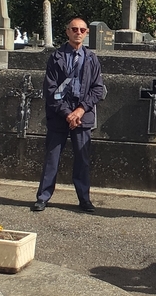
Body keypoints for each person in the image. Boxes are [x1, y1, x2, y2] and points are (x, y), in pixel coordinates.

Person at [31, 18, 106, 213]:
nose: (78, 32)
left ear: (86, 33)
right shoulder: (56, 57)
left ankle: (84, 199)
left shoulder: (91, 58)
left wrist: (80, 110)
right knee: (52, 158)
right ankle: (43, 197)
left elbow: (97, 89)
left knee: (82, 160)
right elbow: (51, 90)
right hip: (59, 115)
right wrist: (67, 113)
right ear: (67, 32)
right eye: (74, 29)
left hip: (82, 115)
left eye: (82, 30)